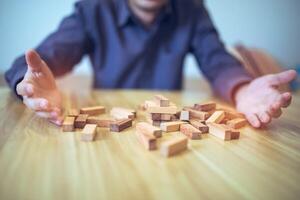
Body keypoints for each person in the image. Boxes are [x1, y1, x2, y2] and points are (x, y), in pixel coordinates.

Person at [5, 0, 296, 127]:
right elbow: (42, 59)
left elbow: (217, 60)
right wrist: (27, 82)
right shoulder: (93, 9)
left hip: (168, 127)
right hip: (110, 129)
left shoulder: (192, 9)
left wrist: (242, 89)